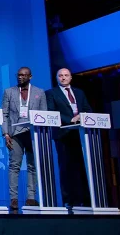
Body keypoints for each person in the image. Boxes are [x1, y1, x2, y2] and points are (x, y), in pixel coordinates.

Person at [46, 68, 92, 208]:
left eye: (66, 75)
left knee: (82, 166)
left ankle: (86, 198)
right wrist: (71, 120)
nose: (63, 78)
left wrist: (82, 117)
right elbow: (51, 112)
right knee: (66, 167)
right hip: (63, 134)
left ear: (71, 77)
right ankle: (69, 199)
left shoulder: (79, 92)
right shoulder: (51, 93)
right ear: (57, 78)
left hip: (81, 134)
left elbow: (87, 109)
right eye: (60, 75)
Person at [1, 67, 46, 211]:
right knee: (14, 165)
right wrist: (5, 134)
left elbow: (44, 114)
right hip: (15, 133)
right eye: (19, 75)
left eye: (24, 75)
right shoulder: (9, 92)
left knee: (33, 165)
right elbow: (4, 115)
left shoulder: (39, 92)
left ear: (30, 76)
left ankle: (31, 197)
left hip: (33, 133)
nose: (20, 77)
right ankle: (13, 198)